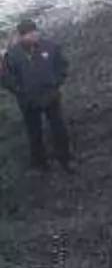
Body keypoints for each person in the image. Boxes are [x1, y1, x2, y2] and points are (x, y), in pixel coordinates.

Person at [2, 17, 71, 172]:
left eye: (34, 32)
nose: (32, 36)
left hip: (50, 95)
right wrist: (19, 90)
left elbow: (62, 65)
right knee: (34, 131)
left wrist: (56, 82)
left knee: (58, 128)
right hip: (28, 100)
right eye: (27, 34)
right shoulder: (12, 55)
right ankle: (39, 161)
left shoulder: (50, 47)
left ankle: (64, 156)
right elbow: (6, 77)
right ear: (20, 36)